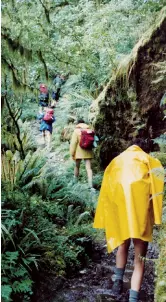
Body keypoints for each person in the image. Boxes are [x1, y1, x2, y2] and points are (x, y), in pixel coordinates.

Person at [93, 139, 164, 302]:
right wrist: (156, 215)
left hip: (121, 213)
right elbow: (158, 189)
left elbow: (107, 192)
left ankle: (117, 282)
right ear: (144, 149)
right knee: (139, 258)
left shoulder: (115, 162)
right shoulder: (149, 161)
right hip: (141, 216)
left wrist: (108, 215)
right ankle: (133, 298)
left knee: (122, 244)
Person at [70, 118, 94, 189]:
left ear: (78, 124)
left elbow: (73, 143)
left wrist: (72, 153)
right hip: (88, 151)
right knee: (89, 168)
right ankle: (90, 184)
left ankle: (75, 181)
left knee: (77, 166)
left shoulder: (76, 131)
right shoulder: (90, 130)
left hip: (79, 152)